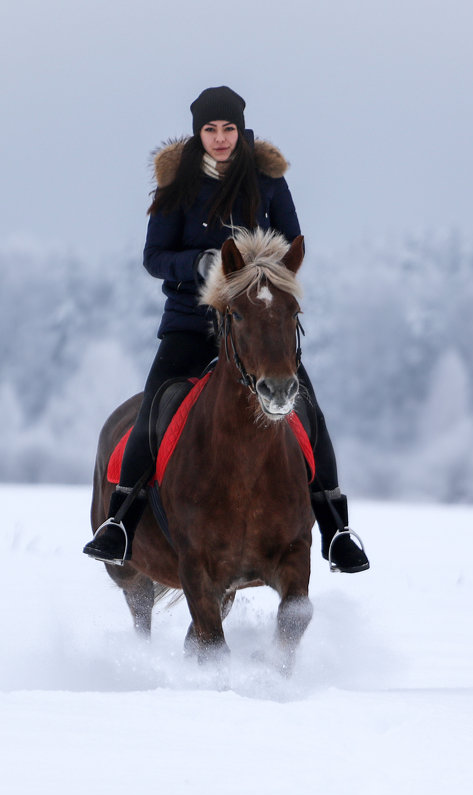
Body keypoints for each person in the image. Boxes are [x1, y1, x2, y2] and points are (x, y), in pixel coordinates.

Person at [82, 86, 369, 574]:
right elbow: (153, 258)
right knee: (154, 408)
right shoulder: (176, 186)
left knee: (309, 412)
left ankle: (335, 529)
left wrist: (256, 272)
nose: (219, 138)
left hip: (259, 325)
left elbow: (291, 244)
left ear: (241, 130)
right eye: (210, 130)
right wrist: (200, 262)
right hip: (192, 323)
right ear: (198, 133)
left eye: (228, 129)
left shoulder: (269, 182)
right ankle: (121, 521)